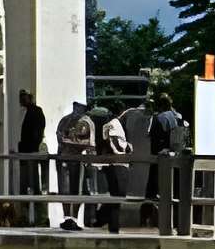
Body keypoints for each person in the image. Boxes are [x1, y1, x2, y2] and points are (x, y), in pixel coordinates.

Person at [149, 88, 192, 232]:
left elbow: (154, 140)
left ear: (159, 105)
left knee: (161, 192)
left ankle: (163, 223)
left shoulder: (160, 118)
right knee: (178, 192)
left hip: (163, 159)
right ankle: (179, 223)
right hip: (179, 158)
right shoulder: (179, 117)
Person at [55, 94, 96, 230]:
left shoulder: (69, 120)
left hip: (68, 159)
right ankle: (70, 218)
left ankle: (70, 218)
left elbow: (61, 139)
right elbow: (87, 143)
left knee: (71, 190)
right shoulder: (81, 121)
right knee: (72, 190)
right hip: (73, 159)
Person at [98, 102, 135, 231]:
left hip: (112, 163)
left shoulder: (108, 124)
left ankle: (112, 225)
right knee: (119, 195)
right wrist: (127, 148)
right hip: (119, 163)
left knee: (116, 196)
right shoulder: (115, 124)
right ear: (122, 112)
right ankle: (103, 218)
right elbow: (115, 143)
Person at [16, 88, 48, 227]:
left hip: (31, 153)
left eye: (24, 97)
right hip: (23, 153)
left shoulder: (36, 111)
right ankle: (25, 217)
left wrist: (33, 148)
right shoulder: (22, 112)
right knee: (24, 186)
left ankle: (40, 218)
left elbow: (37, 132)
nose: (22, 99)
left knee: (34, 186)